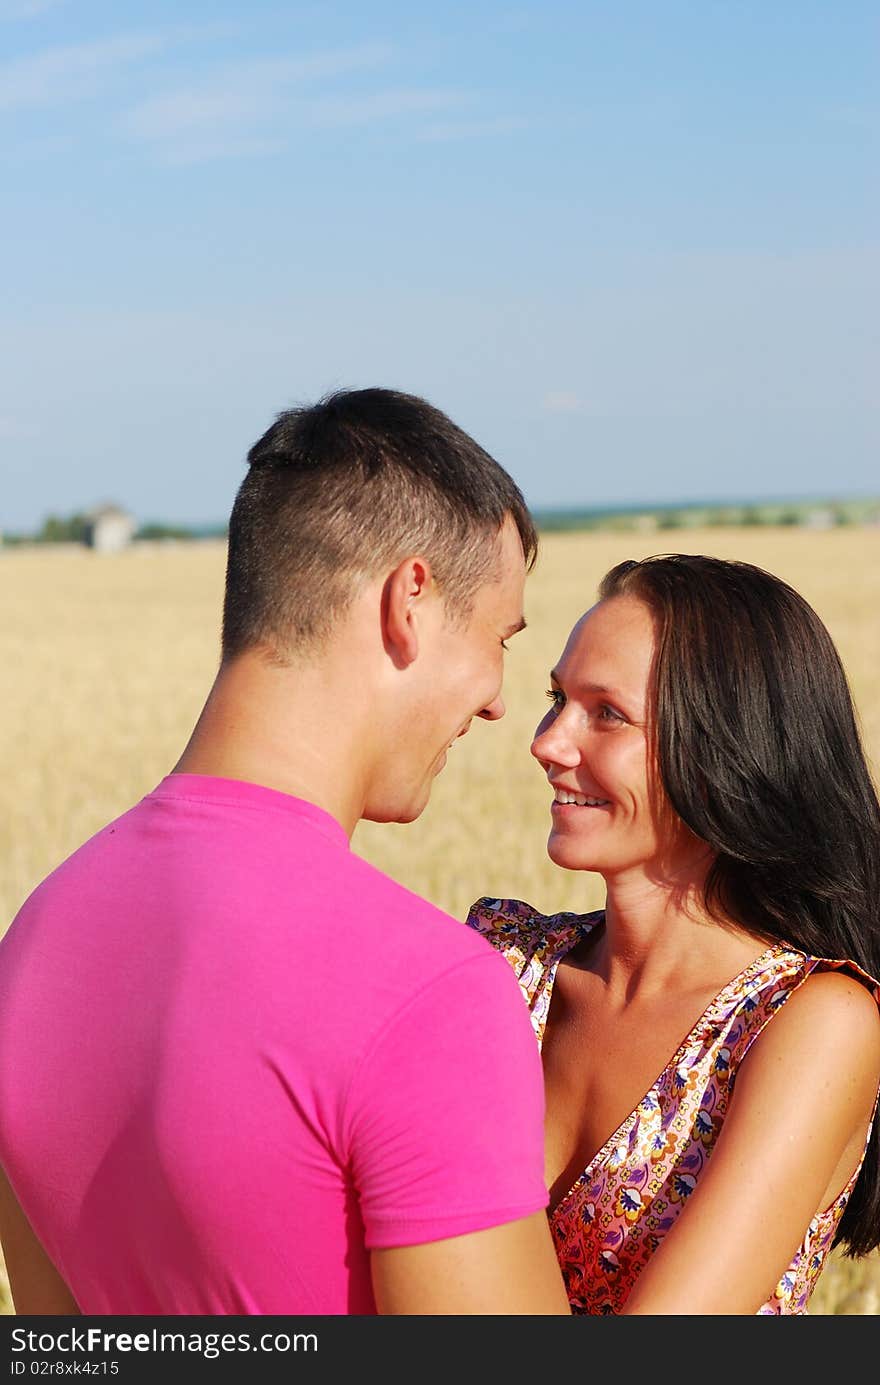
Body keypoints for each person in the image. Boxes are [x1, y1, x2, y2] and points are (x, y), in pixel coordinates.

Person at [0, 387, 571, 1317]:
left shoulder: (31, 945)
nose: (499, 700)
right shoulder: (432, 995)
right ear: (411, 603)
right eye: (499, 637)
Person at [467, 553, 880, 1315]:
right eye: (557, 699)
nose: (549, 742)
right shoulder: (499, 961)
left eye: (607, 713)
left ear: (726, 745)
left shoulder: (808, 1022)